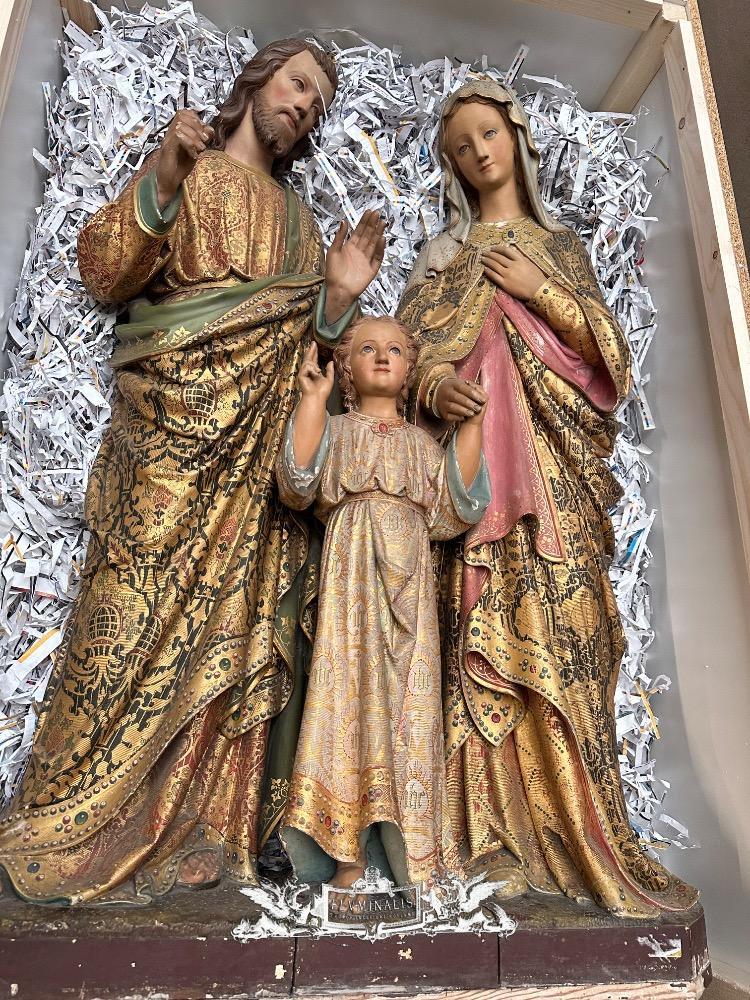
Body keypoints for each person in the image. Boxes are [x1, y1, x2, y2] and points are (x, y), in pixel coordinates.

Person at [0, 38, 384, 904]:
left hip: (250, 472)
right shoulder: (193, 169)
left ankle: (196, 829)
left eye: (318, 103)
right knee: (126, 615)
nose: (304, 106)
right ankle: (62, 813)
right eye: (297, 84)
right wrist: (166, 177)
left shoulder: (301, 227)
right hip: (169, 442)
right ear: (257, 82)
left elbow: (306, 364)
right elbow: (106, 270)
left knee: (230, 638)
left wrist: (336, 300)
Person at [396, 79, 697, 917]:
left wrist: (539, 289)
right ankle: (485, 841)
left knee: (570, 633)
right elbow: (404, 356)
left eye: (488, 133)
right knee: (473, 638)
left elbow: (608, 359)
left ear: (517, 139)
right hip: (472, 488)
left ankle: (580, 830)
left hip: (556, 480)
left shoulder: (556, 246)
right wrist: (432, 387)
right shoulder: (443, 259)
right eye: (460, 147)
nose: (478, 153)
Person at [275, 316, 490, 903]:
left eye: (395, 349)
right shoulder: (338, 431)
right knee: (345, 703)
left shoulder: (423, 445)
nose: (381, 357)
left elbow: (456, 508)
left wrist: (471, 427)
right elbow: (297, 482)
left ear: (409, 370)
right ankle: (344, 854)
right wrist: (312, 402)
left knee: (407, 711)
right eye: (367, 348)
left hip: (411, 591)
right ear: (345, 368)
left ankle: (413, 859)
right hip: (351, 581)